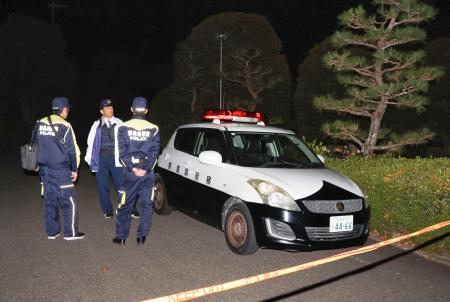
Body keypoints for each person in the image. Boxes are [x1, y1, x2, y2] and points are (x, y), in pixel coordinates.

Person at [35, 96, 84, 240]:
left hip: (44, 169)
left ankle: (52, 232)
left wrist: (35, 163)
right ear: (64, 110)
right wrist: (74, 169)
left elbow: (34, 144)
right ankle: (71, 233)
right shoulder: (65, 126)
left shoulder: (39, 123)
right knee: (69, 201)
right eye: (67, 109)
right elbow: (72, 150)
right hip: (60, 170)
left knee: (50, 201)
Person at [113, 96, 160, 245]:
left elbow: (122, 153)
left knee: (125, 204)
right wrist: (145, 170)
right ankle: (141, 237)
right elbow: (154, 153)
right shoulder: (154, 128)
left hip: (130, 174)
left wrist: (133, 168)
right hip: (147, 175)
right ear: (146, 110)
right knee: (146, 206)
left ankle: (121, 237)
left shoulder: (122, 127)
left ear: (132, 110)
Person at [85, 99, 140, 219]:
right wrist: (90, 160)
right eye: (107, 108)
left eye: (111, 107)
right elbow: (90, 142)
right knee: (102, 185)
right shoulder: (96, 125)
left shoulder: (120, 123)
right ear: (101, 111)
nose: (110, 110)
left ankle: (129, 208)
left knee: (122, 185)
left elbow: (127, 142)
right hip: (101, 159)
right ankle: (107, 209)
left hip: (117, 158)